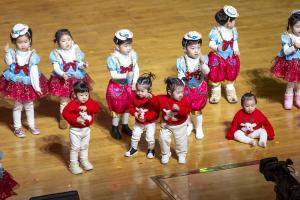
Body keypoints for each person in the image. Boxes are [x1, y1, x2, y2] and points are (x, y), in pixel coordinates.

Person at [0, 23, 48, 138]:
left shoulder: (32, 56)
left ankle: (31, 125)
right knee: (17, 105)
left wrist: (37, 88)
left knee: (29, 105)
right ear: (14, 42)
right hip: (16, 83)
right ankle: (17, 127)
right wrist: (6, 52)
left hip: (28, 83)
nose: (23, 45)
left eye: (25, 41)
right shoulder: (13, 53)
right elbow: (9, 62)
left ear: (30, 40)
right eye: (20, 42)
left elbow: (34, 73)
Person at [49, 29, 92, 129]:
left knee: (78, 97)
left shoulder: (75, 49)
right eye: (63, 41)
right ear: (58, 42)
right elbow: (56, 67)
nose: (67, 42)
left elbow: (79, 63)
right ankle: (63, 118)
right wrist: (62, 73)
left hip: (77, 77)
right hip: (63, 79)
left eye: (68, 39)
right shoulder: (56, 53)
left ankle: (78, 114)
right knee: (64, 99)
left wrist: (83, 65)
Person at [106, 29, 139, 139]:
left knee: (127, 106)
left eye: (129, 45)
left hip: (129, 87)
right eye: (125, 45)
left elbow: (136, 68)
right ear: (117, 45)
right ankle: (114, 126)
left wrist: (134, 82)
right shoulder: (113, 59)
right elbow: (113, 75)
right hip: (117, 88)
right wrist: (126, 76)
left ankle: (125, 125)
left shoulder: (133, 55)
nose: (128, 48)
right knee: (117, 108)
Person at [176, 31, 209, 139]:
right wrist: (179, 85)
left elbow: (206, 72)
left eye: (198, 48)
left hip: (199, 88)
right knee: (187, 109)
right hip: (187, 88)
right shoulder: (181, 61)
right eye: (193, 48)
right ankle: (189, 124)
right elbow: (180, 75)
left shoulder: (203, 59)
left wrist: (203, 64)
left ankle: (199, 127)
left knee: (198, 110)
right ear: (185, 49)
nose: (196, 51)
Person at [62, 81, 100, 175]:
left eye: (86, 95)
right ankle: (73, 164)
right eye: (81, 95)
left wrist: (88, 108)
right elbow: (65, 113)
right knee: (75, 148)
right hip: (75, 130)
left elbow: (96, 108)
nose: (84, 97)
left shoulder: (89, 102)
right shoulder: (72, 104)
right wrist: (76, 119)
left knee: (84, 146)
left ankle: (84, 160)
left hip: (86, 130)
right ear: (75, 95)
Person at [208, 5, 240, 104]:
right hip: (218, 57)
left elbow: (234, 41)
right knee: (216, 74)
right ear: (228, 21)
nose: (235, 23)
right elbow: (211, 43)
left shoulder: (233, 31)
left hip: (230, 57)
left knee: (230, 73)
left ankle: (230, 90)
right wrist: (217, 47)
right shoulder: (216, 32)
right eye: (234, 20)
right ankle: (216, 91)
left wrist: (236, 49)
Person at [157, 77, 191, 164]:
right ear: (169, 92)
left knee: (181, 141)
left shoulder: (183, 100)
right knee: (163, 138)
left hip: (180, 124)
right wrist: (149, 97)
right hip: (166, 124)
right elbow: (155, 100)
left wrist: (179, 108)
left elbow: (187, 111)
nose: (181, 94)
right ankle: (165, 154)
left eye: (182, 92)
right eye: (178, 92)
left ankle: (181, 154)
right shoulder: (163, 99)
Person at [271, 10, 300, 109]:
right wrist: (294, 47)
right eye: (297, 27)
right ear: (291, 27)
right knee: (291, 82)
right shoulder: (288, 37)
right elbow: (286, 52)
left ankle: (298, 99)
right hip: (292, 63)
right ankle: (288, 99)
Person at [125, 73, 159, 158]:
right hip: (138, 122)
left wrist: (146, 117)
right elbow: (131, 107)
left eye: (142, 91)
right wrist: (135, 113)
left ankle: (151, 149)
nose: (139, 93)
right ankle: (133, 148)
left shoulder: (152, 100)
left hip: (149, 123)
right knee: (135, 136)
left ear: (149, 91)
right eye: (138, 90)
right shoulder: (134, 98)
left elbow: (155, 111)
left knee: (150, 137)